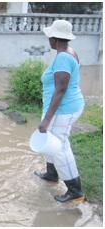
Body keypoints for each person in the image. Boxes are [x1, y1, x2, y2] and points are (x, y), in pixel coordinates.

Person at [34, 20, 85, 202]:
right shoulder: (69, 52)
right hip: (62, 106)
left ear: (54, 39)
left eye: (50, 37)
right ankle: (51, 174)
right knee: (50, 141)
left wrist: (46, 120)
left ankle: (75, 191)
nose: (48, 39)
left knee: (60, 147)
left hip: (63, 109)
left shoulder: (63, 57)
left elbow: (61, 89)